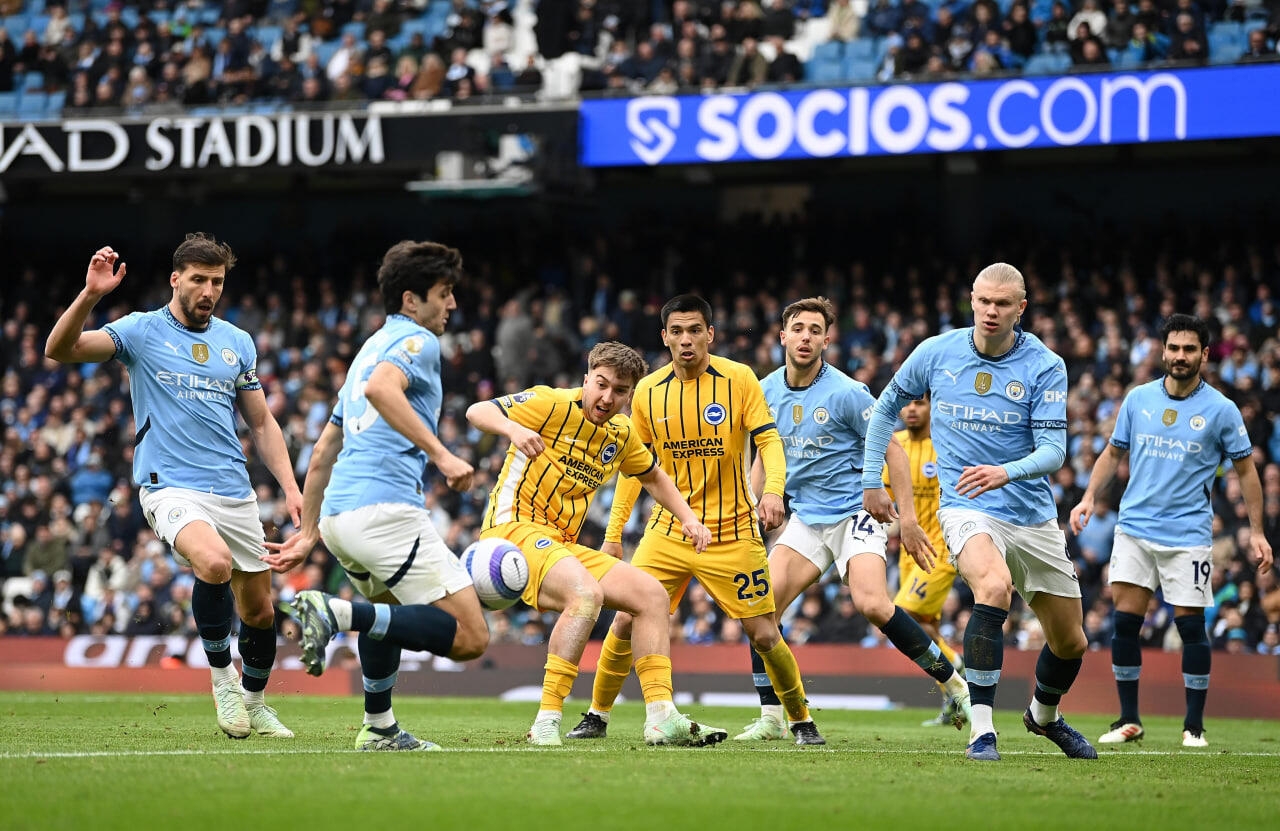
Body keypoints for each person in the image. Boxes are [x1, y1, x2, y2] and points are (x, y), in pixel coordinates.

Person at [45, 235, 300, 740]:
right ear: (176, 279)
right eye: (200, 280)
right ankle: (222, 678)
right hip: (169, 486)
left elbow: (263, 424)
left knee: (260, 610)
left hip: (233, 487)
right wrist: (91, 294)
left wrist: (292, 486)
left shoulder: (237, 342)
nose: (209, 290)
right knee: (213, 563)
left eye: (218, 282)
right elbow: (60, 350)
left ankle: (256, 700)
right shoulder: (140, 331)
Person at [860, 263, 1096, 762]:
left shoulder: (1045, 364)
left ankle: (1044, 717)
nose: (992, 311)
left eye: (1003, 304)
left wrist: (1006, 471)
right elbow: (884, 410)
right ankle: (981, 730)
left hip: (1030, 513)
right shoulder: (935, 352)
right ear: (971, 300)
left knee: (1072, 641)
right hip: (965, 507)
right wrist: (868, 480)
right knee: (992, 588)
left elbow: (1054, 451)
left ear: (1021, 309)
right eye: (984, 301)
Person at [262, 241, 490, 751]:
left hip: (344, 516)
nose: (452, 305)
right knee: (471, 637)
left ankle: (380, 727)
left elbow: (323, 450)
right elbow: (383, 392)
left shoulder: (367, 349)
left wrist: (310, 533)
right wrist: (444, 455)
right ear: (411, 300)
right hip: (384, 510)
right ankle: (336, 614)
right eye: (444, 294)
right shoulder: (418, 343)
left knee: (385, 611)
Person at [568, 294, 822, 745]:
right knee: (626, 619)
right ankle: (596, 716)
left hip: (733, 534)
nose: (687, 340)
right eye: (677, 332)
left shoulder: (739, 379)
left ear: (711, 334)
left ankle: (801, 720)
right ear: (664, 337)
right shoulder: (647, 390)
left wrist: (774, 490)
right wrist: (613, 535)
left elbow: (769, 441)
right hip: (668, 532)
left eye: (695, 331)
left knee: (764, 633)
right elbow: (636, 467)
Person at [734, 297, 971, 742]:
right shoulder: (764, 390)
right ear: (782, 336)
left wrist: (909, 519)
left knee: (874, 605)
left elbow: (893, 451)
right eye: (797, 328)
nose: (805, 337)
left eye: (815, 330)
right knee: (759, 612)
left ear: (828, 339)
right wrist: (755, 500)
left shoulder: (846, 392)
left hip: (853, 514)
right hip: (806, 518)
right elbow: (764, 452)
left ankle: (955, 685)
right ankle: (772, 718)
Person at [467, 341, 725, 747]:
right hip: (512, 531)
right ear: (586, 379)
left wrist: (690, 518)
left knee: (653, 596)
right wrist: (514, 428)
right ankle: (547, 719)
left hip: (563, 543)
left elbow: (653, 476)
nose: (607, 398)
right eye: (601, 385)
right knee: (585, 595)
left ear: (630, 395)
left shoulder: (621, 433)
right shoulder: (549, 403)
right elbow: (477, 411)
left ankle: (662, 717)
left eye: (620, 391)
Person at [1070, 313, 1273, 748]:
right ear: (1162, 352)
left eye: (1188, 349)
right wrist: (1088, 497)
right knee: (1125, 624)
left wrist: (1257, 531)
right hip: (1135, 528)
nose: (1180, 356)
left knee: (1191, 629)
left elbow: (1247, 472)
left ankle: (1193, 726)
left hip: (1187, 535)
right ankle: (1129, 720)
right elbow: (1111, 453)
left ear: (1203, 354)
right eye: (1173, 348)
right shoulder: (1139, 399)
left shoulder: (1221, 409)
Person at [887, 393, 970, 727]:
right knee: (928, 628)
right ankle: (952, 701)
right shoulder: (894, 445)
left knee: (902, 615)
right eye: (907, 403)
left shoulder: (947, 444)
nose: (911, 409)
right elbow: (887, 498)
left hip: (940, 549)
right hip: (909, 552)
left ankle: (956, 670)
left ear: (933, 407)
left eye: (920, 403)